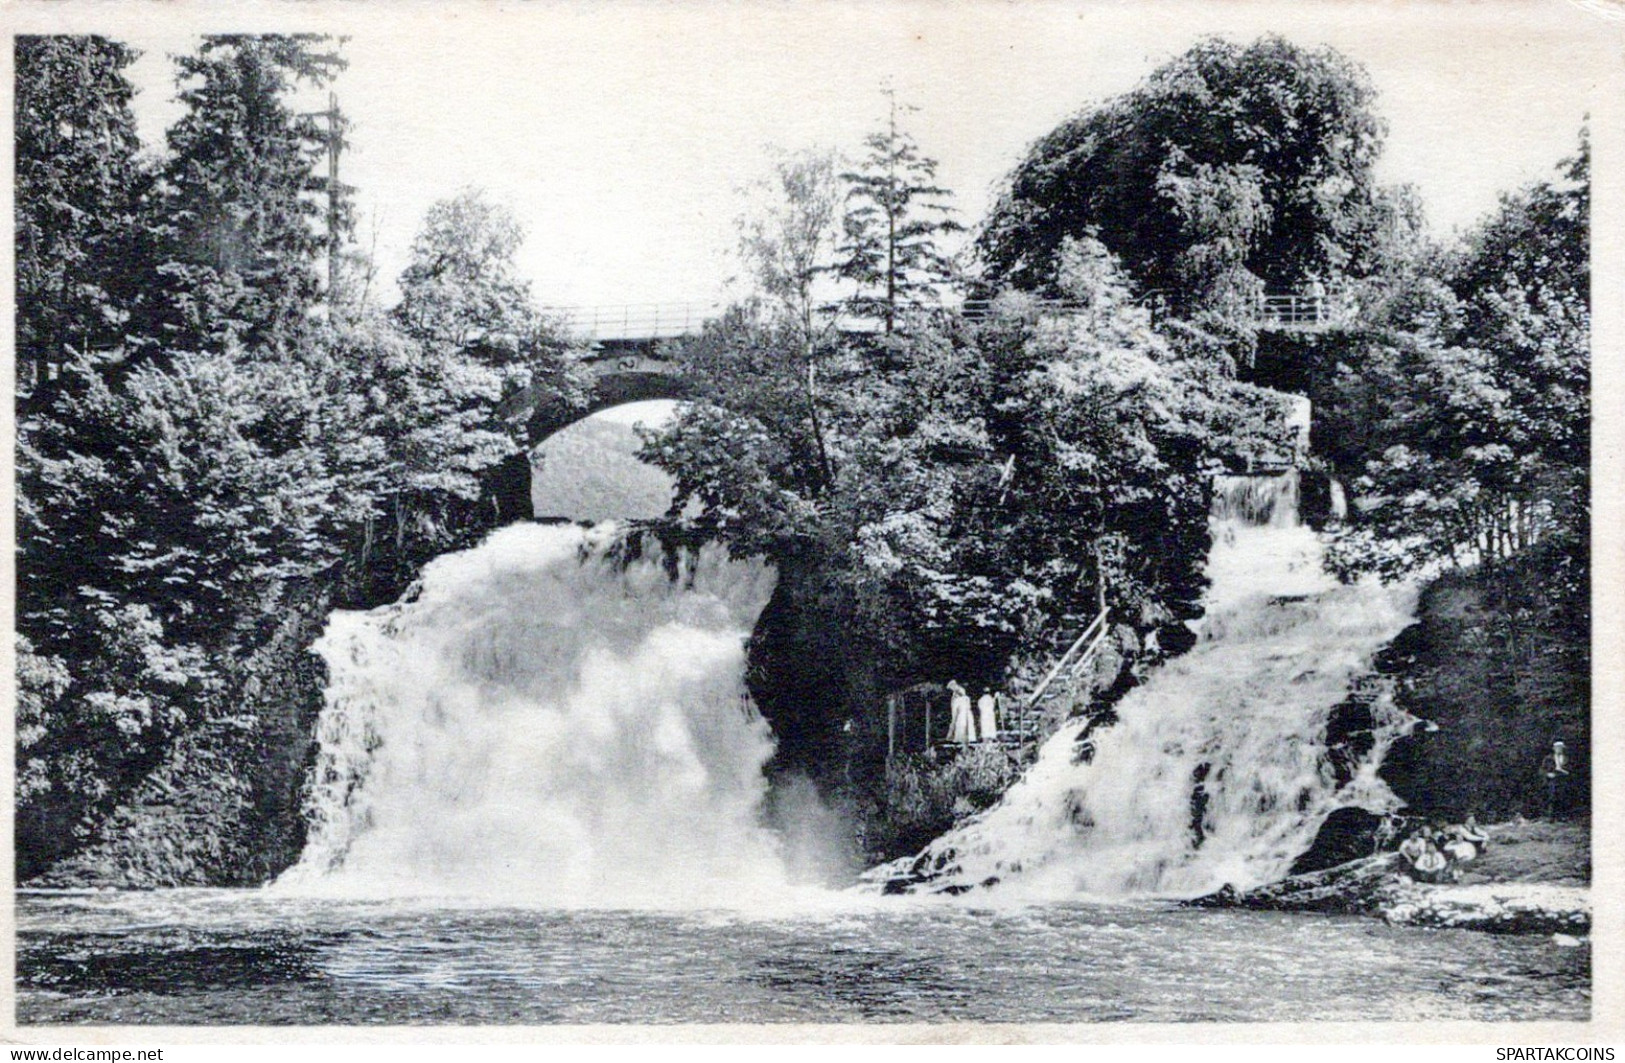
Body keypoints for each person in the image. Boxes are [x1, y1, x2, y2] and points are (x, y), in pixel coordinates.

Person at [1540, 740, 1572, 818]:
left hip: (1564, 779)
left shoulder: (1567, 758)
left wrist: (1567, 772)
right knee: (1552, 797)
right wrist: (1548, 774)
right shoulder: (1548, 758)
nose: (1559, 749)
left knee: (1563, 797)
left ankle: (1563, 816)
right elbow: (1542, 770)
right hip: (1552, 780)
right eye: (1557, 748)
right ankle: (1551, 816)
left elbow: (1571, 769)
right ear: (1554, 748)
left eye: (1560, 748)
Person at [946, 679, 976, 745]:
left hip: (962, 713)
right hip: (960, 713)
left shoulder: (963, 698)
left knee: (963, 724)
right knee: (960, 725)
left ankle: (964, 739)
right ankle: (958, 738)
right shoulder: (955, 697)